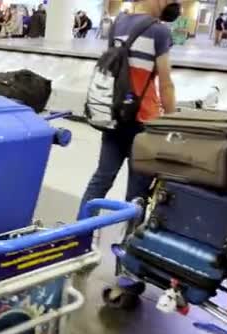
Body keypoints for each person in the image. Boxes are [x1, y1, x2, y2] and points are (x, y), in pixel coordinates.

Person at [80, 0, 177, 213]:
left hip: (115, 116)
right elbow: (166, 83)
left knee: (101, 179)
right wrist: (173, 122)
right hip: (143, 122)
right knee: (137, 192)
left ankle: (79, 235)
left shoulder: (119, 23)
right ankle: (127, 243)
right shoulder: (159, 32)